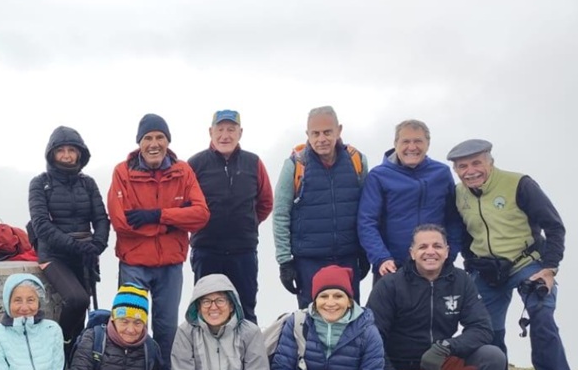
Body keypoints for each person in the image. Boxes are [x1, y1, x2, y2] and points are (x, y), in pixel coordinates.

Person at [449, 139, 574, 370]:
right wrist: (470, 265)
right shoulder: (458, 194)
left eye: (476, 163)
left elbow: (554, 226)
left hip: (527, 263)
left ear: (490, 161)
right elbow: (464, 234)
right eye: (462, 166)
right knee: (486, 332)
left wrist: (550, 268)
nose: (470, 171)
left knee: (542, 319)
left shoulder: (520, 184)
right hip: (487, 270)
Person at [365, 225, 506, 370]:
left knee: (492, 356)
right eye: (423, 246)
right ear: (411, 253)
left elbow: (482, 328)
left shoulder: (461, 281)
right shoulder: (389, 285)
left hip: (439, 365)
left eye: (437, 246)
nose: (430, 252)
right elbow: (371, 340)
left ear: (447, 251)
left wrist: (447, 346)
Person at [108, 113, 210, 370]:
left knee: (166, 328)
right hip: (134, 262)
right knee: (129, 323)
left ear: (168, 141)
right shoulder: (122, 171)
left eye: (160, 137)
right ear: (139, 143)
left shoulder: (183, 170)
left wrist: (157, 216)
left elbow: (201, 214)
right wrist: (174, 222)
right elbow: (121, 221)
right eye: (148, 138)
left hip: (170, 265)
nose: (154, 144)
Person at [273, 106, 371, 308]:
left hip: (348, 258)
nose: (321, 139)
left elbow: (366, 211)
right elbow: (281, 214)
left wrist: (364, 252)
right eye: (315, 133)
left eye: (327, 132)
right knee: (311, 324)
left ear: (339, 130)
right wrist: (285, 261)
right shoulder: (295, 165)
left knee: (350, 321)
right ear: (307, 134)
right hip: (309, 262)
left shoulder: (357, 161)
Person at [28, 125, 110, 362]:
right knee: (78, 300)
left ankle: (75, 356)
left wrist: (98, 244)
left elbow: (101, 218)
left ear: (80, 153)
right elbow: (41, 225)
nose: (66, 155)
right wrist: (78, 247)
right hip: (54, 255)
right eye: (60, 150)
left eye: (71, 150)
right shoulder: (40, 183)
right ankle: (61, 346)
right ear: (51, 154)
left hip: (84, 254)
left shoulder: (88, 183)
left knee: (83, 312)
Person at [187, 109, 273, 322]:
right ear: (210, 131)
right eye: (220, 129)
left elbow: (265, 203)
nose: (225, 135)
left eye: (231, 129)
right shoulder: (195, 164)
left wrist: (247, 224)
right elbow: (184, 205)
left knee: (245, 310)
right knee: (206, 311)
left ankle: (247, 356)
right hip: (206, 251)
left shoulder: (253, 162)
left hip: (243, 252)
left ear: (240, 133)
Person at [357, 119, 464, 283]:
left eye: (418, 141)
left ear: (427, 144)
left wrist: (450, 254)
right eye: (406, 141)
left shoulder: (441, 173)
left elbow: (453, 218)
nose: (412, 147)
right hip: (391, 267)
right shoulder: (378, 176)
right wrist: (381, 258)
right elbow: (367, 222)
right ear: (395, 143)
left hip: (434, 267)